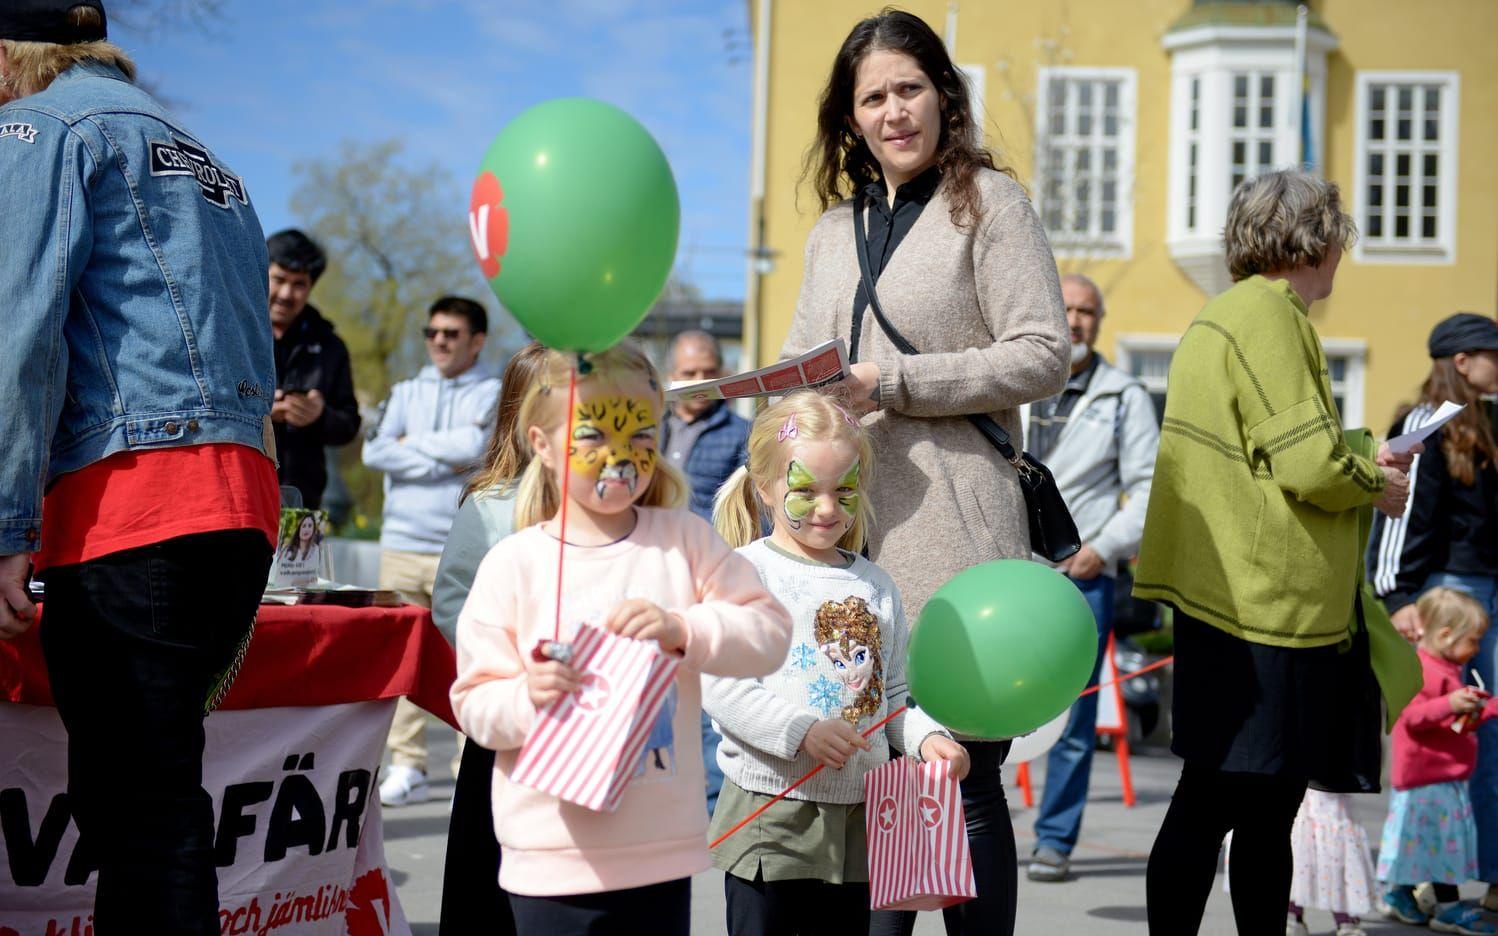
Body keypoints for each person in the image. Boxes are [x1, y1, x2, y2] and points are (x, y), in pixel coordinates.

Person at [778, 11, 1069, 935]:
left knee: (959, 770)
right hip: (844, 533)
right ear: (849, 118)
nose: (894, 110)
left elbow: (1041, 354)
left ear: (944, 95)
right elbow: (798, 362)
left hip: (954, 521)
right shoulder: (832, 230)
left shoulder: (989, 204)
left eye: (910, 88)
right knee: (877, 771)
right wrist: (779, 411)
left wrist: (892, 382)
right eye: (873, 97)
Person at [0, 4, 280, 931]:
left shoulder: (44, 125)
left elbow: (19, 333)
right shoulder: (208, 159)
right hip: (235, 511)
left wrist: (4, 525)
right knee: (157, 807)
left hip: (132, 508)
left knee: (142, 818)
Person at [1132, 169, 1417, 934]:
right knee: (1231, 806)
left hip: (1238, 599)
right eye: (1338, 241)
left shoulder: (1228, 315)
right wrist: (1375, 480)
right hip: (1265, 608)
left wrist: (1359, 458)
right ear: (1318, 240)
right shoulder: (1270, 315)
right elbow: (1307, 465)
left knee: (1244, 804)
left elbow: (1276, 454)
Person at [449, 342, 792, 935]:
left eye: (641, 435)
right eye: (594, 435)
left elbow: (768, 634)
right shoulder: (514, 564)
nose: (621, 457)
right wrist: (527, 695)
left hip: (659, 852)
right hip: (549, 856)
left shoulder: (685, 541)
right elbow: (474, 704)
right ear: (540, 444)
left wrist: (686, 629)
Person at [704, 391, 968, 934]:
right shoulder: (741, 573)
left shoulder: (876, 584)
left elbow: (890, 696)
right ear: (765, 489)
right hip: (770, 814)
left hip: (861, 819)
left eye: (843, 491)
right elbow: (724, 689)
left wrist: (925, 738)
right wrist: (801, 731)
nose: (828, 509)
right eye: (805, 491)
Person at [1025, 273, 1158, 883]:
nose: (1075, 321)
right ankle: (968, 824)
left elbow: (1151, 487)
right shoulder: (1017, 379)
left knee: (1075, 720)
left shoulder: (1122, 394)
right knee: (976, 706)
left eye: (1087, 312)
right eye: (1067, 309)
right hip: (1003, 572)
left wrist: (1103, 548)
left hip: (1081, 578)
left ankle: (1054, 840)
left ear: (1098, 324)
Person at [1371, 313, 1498, 910]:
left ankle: (1480, 876)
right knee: (1439, 734)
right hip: (1446, 590)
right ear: (1462, 361)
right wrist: (1398, 597)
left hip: (1487, 586)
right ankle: (1416, 879)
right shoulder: (1426, 423)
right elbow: (1400, 516)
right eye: (1491, 352)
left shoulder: (1489, 422)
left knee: (1483, 733)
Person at [363, 296, 502, 807]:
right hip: (400, 542)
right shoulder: (404, 390)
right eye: (432, 332)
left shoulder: (493, 391)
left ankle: (468, 762)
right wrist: (443, 455)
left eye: (452, 333)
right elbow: (373, 450)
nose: (439, 341)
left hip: (462, 546)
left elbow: (478, 447)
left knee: (470, 658)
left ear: (477, 341)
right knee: (400, 661)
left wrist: (410, 445)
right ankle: (407, 763)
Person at [435, 341, 548, 936]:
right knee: (490, 870)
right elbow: (452, 600)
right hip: (510, 719)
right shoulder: (493, 502)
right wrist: (509, 669)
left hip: (589, 725)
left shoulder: (615, 505)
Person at [662, 328, 752, 814]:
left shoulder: (741, 433)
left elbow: (740, 515)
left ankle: (711, 805)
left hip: (705, 581)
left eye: (707, 373)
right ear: (671, 375)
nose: (697, 382)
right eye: (688, 373)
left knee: (703, 699)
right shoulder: (649, 428)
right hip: (649, 580)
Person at [1377, 588, 1496, 933]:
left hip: (1442, 777)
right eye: (1472, 641)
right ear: (1445, 635)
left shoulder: (1446, 667)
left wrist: (1483, 707)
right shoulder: (1424, 669)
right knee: (1441, 845)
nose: (1476, 649)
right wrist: (1451, 704)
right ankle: (1448, 907)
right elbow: (1411, 717)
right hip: (1425, 779)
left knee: (1427, 844)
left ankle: (1400, 893)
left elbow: (1451, 723)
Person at [266, 227, 361, 508]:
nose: (286, 293)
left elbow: (349, 424)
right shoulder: (232, 332)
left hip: (303, 501)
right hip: (242, 495)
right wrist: (259, 411)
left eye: (299, 284)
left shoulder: (330, 346)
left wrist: (320, 416)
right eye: (279, 279)